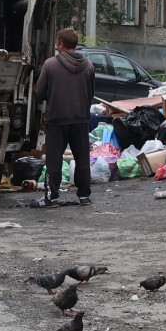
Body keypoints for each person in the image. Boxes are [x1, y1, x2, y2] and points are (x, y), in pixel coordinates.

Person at [32, 27, 97, 208]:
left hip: (57, 119)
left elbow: (40, 91)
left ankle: (51, 197)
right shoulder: (89, 66)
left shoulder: (50, 65)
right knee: (82, 157)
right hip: (81, 118)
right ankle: (84, 196)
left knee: (54, 159)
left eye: (56, 42)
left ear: (60, 44)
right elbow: (91, 92)